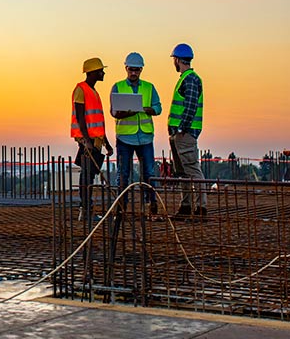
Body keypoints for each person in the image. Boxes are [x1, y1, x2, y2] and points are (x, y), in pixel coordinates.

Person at [110, 52, 162, 218]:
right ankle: (121, 208)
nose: (134, 73)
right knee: (123, 173)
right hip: (125, 137)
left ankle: (151, 206)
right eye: (131, 70)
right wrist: (128, 112)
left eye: (137, 70)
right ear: (126, 68)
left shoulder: (149, 87)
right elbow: (114, 112)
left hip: (145, 137)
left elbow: (158, 108)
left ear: (141, 70)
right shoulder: (118, 87)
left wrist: (148, 110)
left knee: (149, 172)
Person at [71, 57, 113, 221]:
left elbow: (99, 123)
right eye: (101, 70)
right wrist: (86, 140)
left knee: (90, 175)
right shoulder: (81, 89)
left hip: (96, 141)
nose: (103, 73)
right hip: (87, 141)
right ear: (93, 72)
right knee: (87, 175)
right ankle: (86, 209)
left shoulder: (94, 92)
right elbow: (81, 117)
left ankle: (87, 209)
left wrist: (106, 144)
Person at [168, 43, 206, 218]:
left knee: (192, 169)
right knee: (182, 172)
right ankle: (186, 207)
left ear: (177, 60)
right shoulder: (186, 78)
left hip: (185, 133)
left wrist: (182, 128)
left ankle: (200, 208)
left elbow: (190, 106)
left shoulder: (190, 79)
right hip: (179, 133)